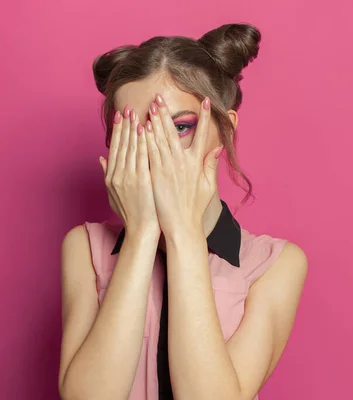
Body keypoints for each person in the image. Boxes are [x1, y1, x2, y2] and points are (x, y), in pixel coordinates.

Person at [58, 23, 307, 400]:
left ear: (224, 129)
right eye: (134, 130)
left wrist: (183, 232)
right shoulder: (86, 248)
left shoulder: (274, 264)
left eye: (179, 126)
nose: (155, 148)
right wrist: (142, 233)